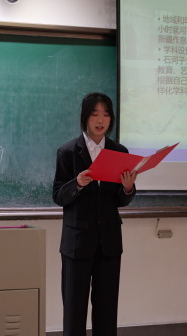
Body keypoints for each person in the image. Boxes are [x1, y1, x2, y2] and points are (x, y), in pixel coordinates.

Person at [53, 92, 137, 336]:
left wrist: (127, 188)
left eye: (106, 115)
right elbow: (58, 195)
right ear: (85, 117)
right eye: (95, 114)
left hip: (109, 243)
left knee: (107, 311)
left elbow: (120, 200)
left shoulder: (119, 152)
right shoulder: (68, 151)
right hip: (77, 243)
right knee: (74, 311)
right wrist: (77, 183)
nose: (101, 120)